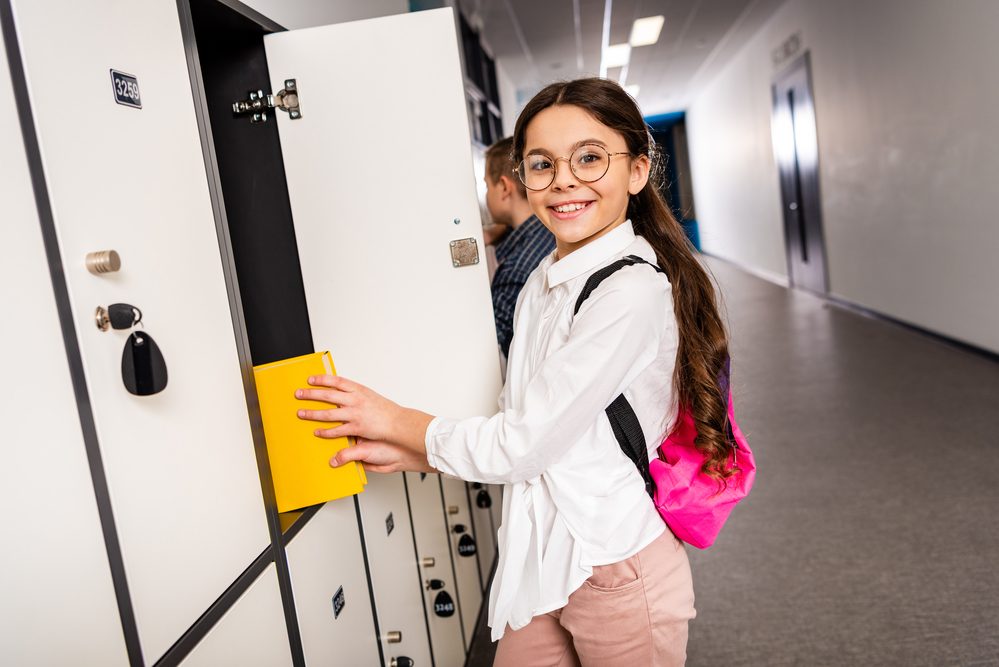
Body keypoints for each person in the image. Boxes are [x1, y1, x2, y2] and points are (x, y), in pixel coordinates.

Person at [295, 78, 735, 666]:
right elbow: (533, 429)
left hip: (616, 565)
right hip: (541, 560)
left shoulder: (629, 292)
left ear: (636, 171)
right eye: (542, 164)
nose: (564, 181)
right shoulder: (545, 281)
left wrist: (397, 421)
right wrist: (418, 454)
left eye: (589, 158)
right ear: (522, 178)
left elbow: (523, 445)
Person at [482, 136, 556, 359]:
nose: (486, 195)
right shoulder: (557, 231)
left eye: (487, 185)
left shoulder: (513, 272)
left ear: (504, 187)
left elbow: (508, 359)